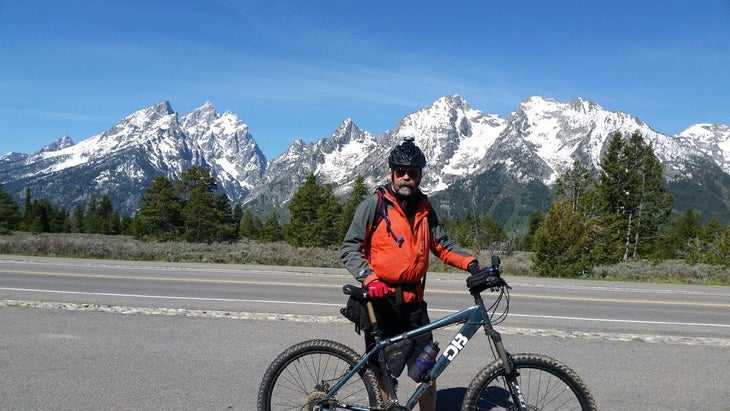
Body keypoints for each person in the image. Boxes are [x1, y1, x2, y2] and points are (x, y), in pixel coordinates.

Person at [340, 136, 488, 411]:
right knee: (382, 374)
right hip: (382, 301)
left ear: (420, 176)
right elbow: (350, 247)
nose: (406, 177)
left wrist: (472, 263)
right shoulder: (375, 205)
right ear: (391, 173)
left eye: (413, 173)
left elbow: (442, 246)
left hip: (415, 305)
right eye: (401, 172)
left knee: (427, 371)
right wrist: (369, 278)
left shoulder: (424, 208)